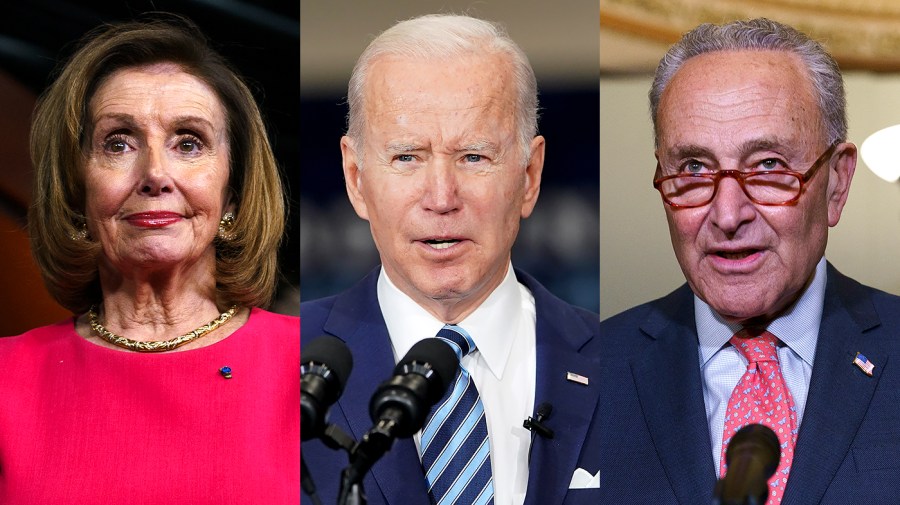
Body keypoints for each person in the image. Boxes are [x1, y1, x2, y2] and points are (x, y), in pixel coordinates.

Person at [301, 14, 602, 505]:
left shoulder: (616, 363)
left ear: (529, 175)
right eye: (407, 157)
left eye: (473, 157)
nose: (441, 197)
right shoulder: (283, 367)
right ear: (356, 178)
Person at [596, 18, 900, 504]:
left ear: (837, 185)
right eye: (694, 168)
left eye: (769, 166)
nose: (728, 214)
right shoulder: (588, 373)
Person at [0, 18, 299, 503]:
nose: (155, 174)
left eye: (188, 142)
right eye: (118, 143)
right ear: (76, 192)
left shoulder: (314, 369)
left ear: (233, 196)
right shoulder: (7, 379)